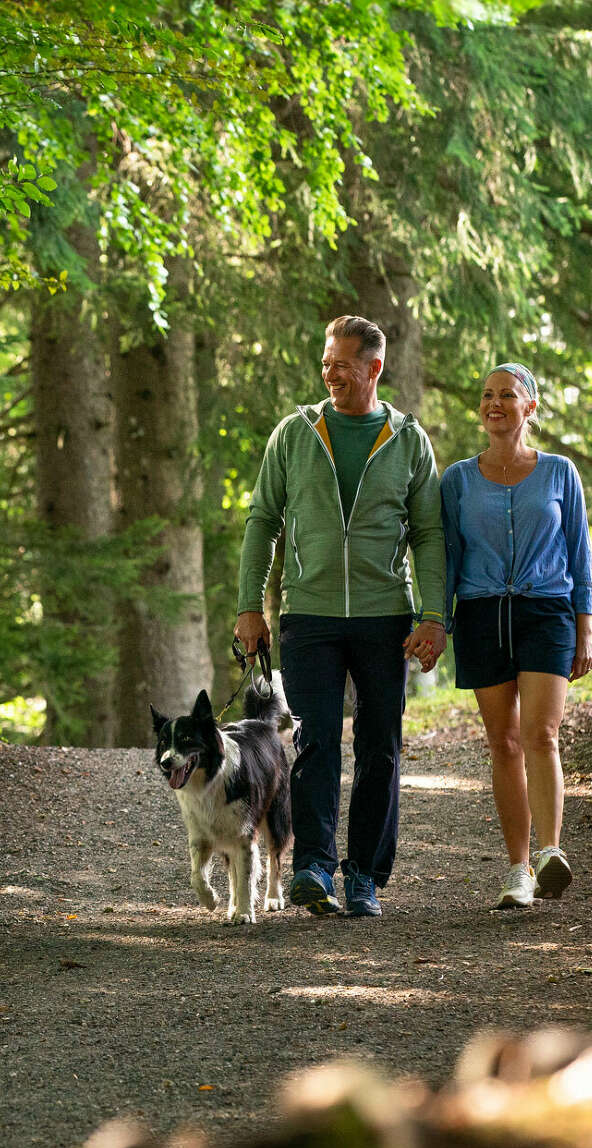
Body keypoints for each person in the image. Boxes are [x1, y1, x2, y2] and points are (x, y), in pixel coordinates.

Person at [233, 316, 448, 920]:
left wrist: (434, 616)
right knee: (313, 741)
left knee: (380, 746)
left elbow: (429, 534)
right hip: (309, 615)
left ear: (374, 368)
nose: (331, 375)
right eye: (326, 363)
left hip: (386, 617)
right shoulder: (295, 434)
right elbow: (262, 520)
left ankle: (365, 878)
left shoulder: (408, 440)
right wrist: (251, 605)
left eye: (343, 365)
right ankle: (313, 868)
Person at [439, 362, 592, 910]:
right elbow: (447, 560)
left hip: (545, 610)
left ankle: (551, 852)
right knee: (503, 743)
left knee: (541, 735)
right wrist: (437, 620)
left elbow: (580, 553)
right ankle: (518, 870)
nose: (494, 404)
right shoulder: (456, 480)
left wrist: (585, 627)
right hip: (482, 615)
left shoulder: (559, 473)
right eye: (486, 395)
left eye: (507, 395)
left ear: (530, 407)